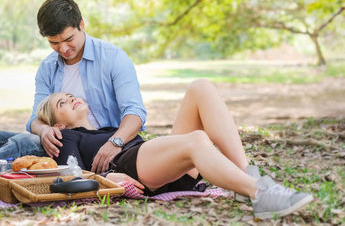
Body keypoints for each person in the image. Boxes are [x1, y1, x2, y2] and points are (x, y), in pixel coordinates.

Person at [36, 81, 313, 220]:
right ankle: (259, 193)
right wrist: (105, 180)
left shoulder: (107, 129)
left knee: (200, 88)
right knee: (196, 139)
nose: (71, 99)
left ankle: (246, 177)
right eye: (62, 102)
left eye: (71, 96)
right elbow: (67, 180)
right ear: (58, 123)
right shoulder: (67, 136)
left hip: (156, 160)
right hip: (132, 168)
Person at [0, 0, 146, 187]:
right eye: (54, 43)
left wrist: (114, 143)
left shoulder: (113, 58)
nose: (63, 49)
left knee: (25, 144)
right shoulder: (48, 67)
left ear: (81, 24)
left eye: (69, 39)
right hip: (59, 141)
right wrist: (44, 130)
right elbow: (35, 119)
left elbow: (135, 113)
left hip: (88, 148)